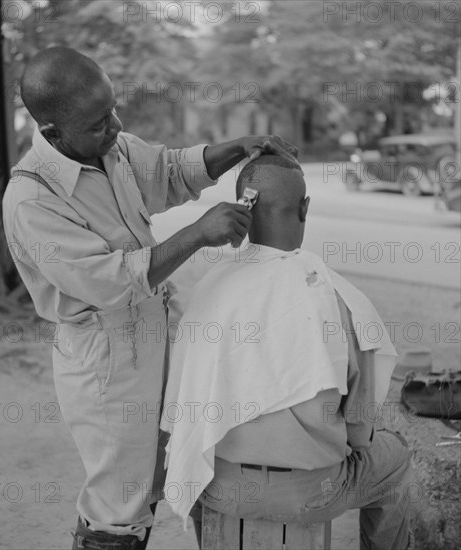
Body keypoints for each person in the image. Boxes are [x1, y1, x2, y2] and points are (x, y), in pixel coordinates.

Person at [2, 46, 298, 550]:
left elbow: (169, 170)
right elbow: (110, 281)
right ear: (53, 133)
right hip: (106, 365)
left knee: (162, 472)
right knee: (119, 502)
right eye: (99, 122)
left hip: (154, 338)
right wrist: (197, 234)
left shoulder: (109, 148)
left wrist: (237, 149)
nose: (115, 127)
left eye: (114, 110)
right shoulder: (33, 199)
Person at [162, 154, 413, 550]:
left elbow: (183, 408)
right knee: (395, 459)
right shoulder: (336, 297)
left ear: (244, 207)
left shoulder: (207, 290)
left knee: (192, 462)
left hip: (220, 487)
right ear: (305, 208)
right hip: (313, 492)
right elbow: (360, 433)